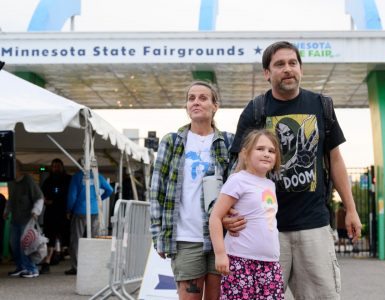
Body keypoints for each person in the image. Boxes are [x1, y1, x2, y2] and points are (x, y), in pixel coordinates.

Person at [225, 41, 362, 299]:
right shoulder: (255, 111)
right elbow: (239, 168)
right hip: (263, 229)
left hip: (313, 227)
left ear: (301, 68)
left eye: (292, 63)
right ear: (267, 73)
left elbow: (335, 160)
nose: (287, 69)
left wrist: (351, 209)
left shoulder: (321, 106)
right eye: (279, 64)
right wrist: (227, 212)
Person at [149, 81, 234, 300]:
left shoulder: (229, 141)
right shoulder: (172, 141)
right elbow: (156, 191)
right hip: (185, 238)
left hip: (222, 239)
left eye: (203, 98)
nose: (196, 102)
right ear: (186, 107)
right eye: (191, 98)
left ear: (215, 106)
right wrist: (158, 235)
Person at [209, 129, 284, 299]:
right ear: (245, 153)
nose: (266, 154)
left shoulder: (270, 185)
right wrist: (220, 254)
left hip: (270, 264)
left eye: (271, 151)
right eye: (260, 149)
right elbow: (215, 217)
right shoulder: (238, 180)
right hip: (240, 261)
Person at [65, 162, 113, 275]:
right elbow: (110, 189)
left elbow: (72, 196)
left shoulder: (76, 177)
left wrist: (68, 209)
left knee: (76, 239)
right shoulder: (98, 176)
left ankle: (76, 267)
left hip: (79, 211)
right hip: (95, 211)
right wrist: (99, 199)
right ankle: (93, 264)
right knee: (94, 238)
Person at [3, 160, 44, 278]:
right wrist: (6, 211)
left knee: (26, 245)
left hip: (27, 219)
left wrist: (36, 211)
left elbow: (39, 197)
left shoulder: (28, 181)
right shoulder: (10, 182)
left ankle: (32, 269)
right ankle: (20, 267)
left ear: (18, 169)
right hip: (15, 219)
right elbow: (10, 199)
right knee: (14, 244)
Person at [39, 158, 72, 273]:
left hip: (65, 214)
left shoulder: (69, 179)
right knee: (50, 238)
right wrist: (45, 201)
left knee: (68, 239)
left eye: (58, 166)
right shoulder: (48, 181)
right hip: (51, 214)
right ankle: (46, 263)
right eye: (54, 166)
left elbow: (71, 195)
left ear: (62, 167)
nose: (56, 168)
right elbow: (41, 195)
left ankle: (75, 264)